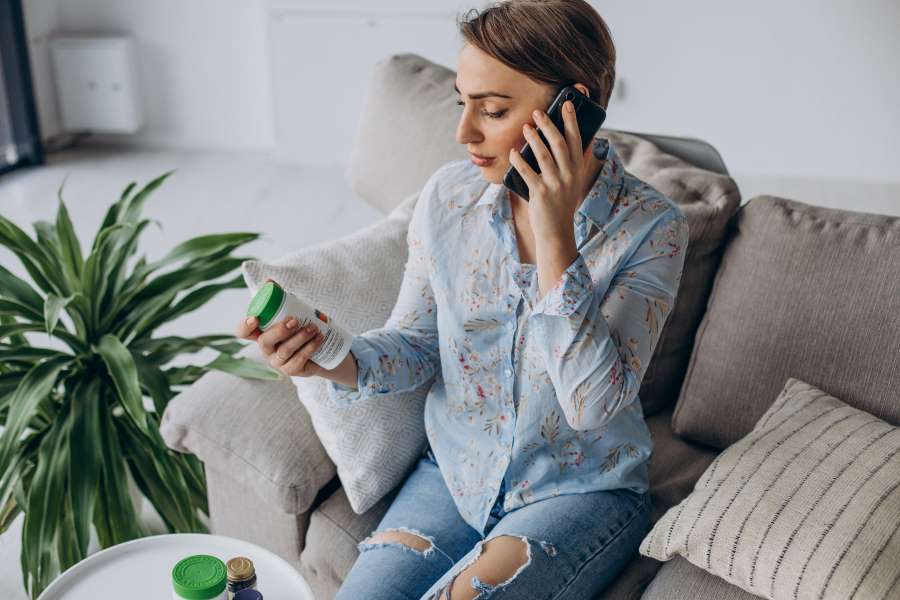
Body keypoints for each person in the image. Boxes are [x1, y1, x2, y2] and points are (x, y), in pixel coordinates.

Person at [235, 1, 689, 598]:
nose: (464, 133)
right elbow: (418, 344)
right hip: (453, 478)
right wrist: (326, 356)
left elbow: (593, 406)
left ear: (571, 109)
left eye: (493, 110)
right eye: (462, 103)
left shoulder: (652, 227)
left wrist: (554, 234)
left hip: (582, 490)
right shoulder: (448, 199)